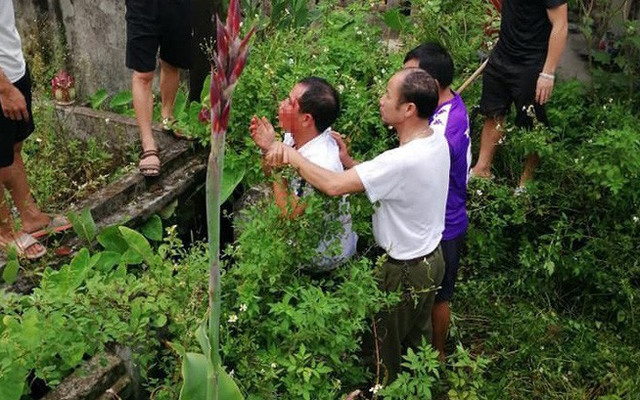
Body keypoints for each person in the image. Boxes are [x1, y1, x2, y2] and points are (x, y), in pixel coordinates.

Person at [265, 68, 449, 382]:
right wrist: (350, 163)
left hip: (402, 272)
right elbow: (388, 179)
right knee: (415, 342)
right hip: (433, 260)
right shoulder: (434, 140)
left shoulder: (399, 161)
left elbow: (334, 185)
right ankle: (421, 386)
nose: (381, 100)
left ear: (408, 110)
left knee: (381, 351)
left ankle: (383, 389)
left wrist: (288, 156)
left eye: (388, 95)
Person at [403, 42, 471, 362]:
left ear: (431, 82)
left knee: (439, 297)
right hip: (446, 214)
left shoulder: (441, 131)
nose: (402, 80)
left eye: (409, 74)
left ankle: (437, 357)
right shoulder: (450, 102)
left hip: (443, 222)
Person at [250, 77, 357, 272]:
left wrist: (276, 171)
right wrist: (267, 149)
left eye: (290, 102)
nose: (281, 104)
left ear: (306, 119)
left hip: (322, 256)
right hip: (308, 231)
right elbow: (268, 172)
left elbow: (289, 214)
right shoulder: (297, 134)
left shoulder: (321, 162)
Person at [0, 0, 71, 260]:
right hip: (2, 81)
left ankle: (30, 216)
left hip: (13, 65)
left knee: (14, 147)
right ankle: (5, 233)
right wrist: (4, 89)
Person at [471, 0, 568, 187]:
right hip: (502, 54)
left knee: (532, 123)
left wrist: (547, 73)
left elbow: (561, 25)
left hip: (531, 62)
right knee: (492, 112)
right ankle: (482, 169)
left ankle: (526, 182)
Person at [125, 0, 192, 176]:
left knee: (172, 62)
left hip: (177, 5)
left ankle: (167, 118)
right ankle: (148, 145)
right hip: (142, 6)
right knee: (143, 73)